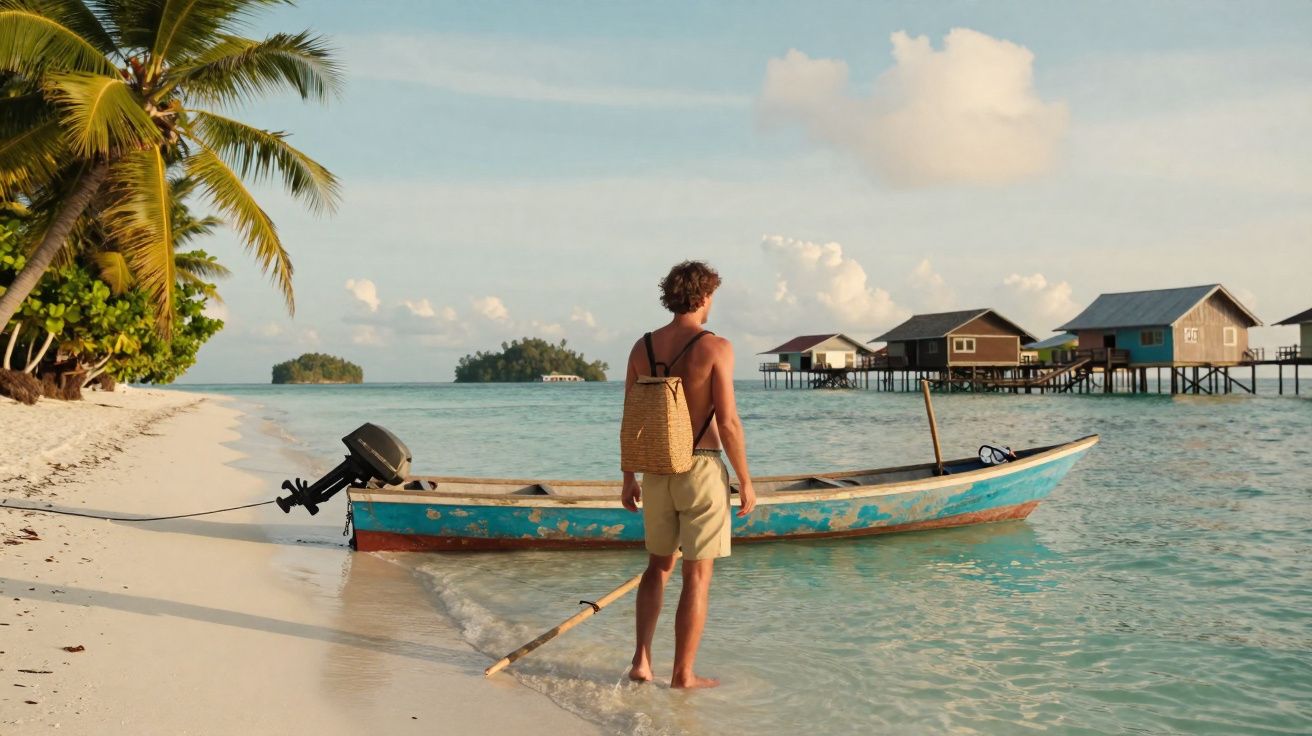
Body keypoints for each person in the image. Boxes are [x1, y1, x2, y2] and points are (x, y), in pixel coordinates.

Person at [621, 260, 755, 689]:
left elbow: (630, 419)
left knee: (657, 567)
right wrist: (746, 480)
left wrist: (629, 477)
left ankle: (642, 661)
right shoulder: (715, 347)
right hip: (700, 466)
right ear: (703, 296)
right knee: (696, 573)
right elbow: (729, 422)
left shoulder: (642, 348)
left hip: (657, 469)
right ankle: (683, 674)